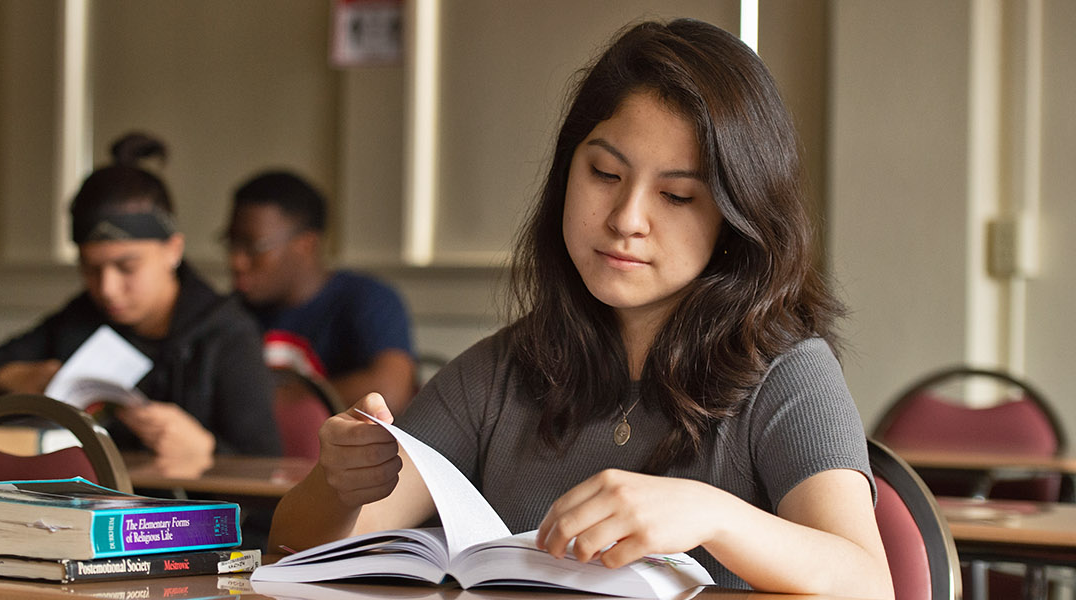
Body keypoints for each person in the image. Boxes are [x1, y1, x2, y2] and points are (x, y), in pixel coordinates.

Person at [267, 19, 892, 599]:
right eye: (604, 173)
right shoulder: (503, 370)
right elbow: (292, 549)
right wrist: (336, 483)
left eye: (676, 196)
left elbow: (869, 582)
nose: (626, 220)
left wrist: (713, 513)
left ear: (734, 219)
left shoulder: (787, 374)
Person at [0, 132, 281, 459]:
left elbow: (269, 469)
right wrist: (11, 378)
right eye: (90, 269)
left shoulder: (227, 334)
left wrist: (206, 450)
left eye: (126, 267)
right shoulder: (82, 318)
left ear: (172, 250)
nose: (107, 288)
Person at [222, 170, 417, 413]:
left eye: (254, 247)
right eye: (232, 244)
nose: (237, 261)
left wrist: (279, 401)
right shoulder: (228, 312)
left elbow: (390, 392)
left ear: (306, 244)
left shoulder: (368, 299)